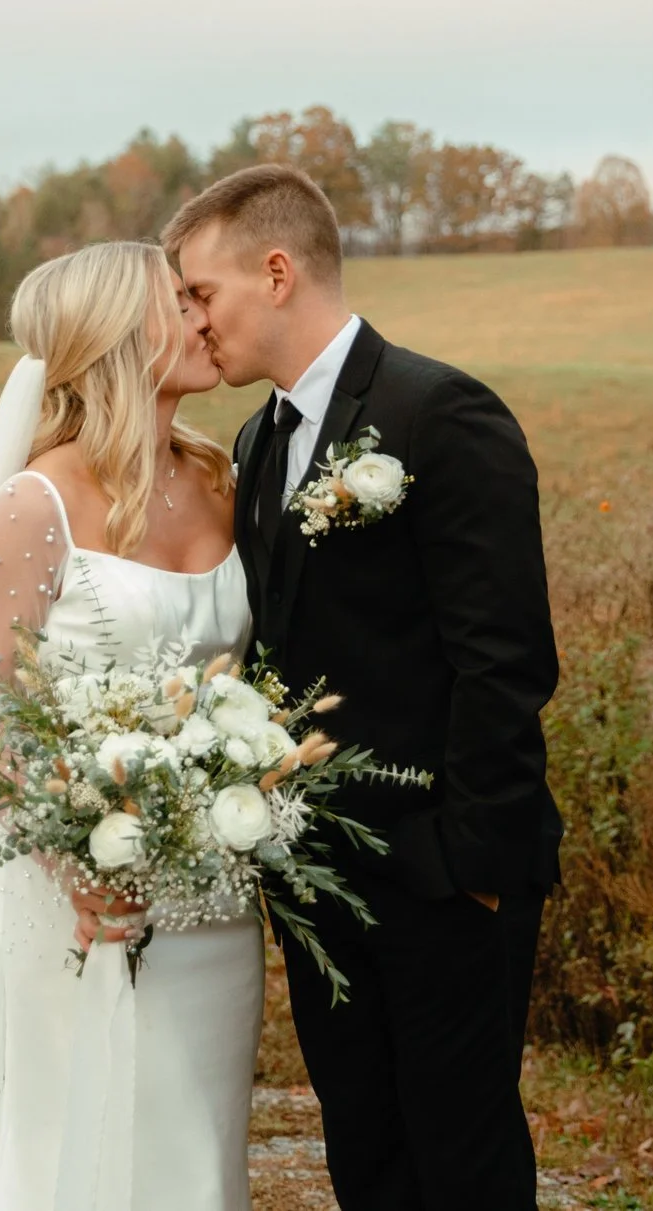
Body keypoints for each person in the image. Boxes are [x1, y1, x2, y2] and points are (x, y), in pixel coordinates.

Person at [165, 164, 564, 1211]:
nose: (193, 320)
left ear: (277, 272)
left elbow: (507, 659)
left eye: (201, 292)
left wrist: (468, 866)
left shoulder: (440, 413)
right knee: (366, 1155)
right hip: (318, 879)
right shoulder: (258, 441)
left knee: (464, 1165)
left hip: (445, 876)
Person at [0, 240, 263, 1211]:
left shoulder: (220, 480)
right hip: (75, 895)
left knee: (198, 1143)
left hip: (213, 896)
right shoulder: (34, 503)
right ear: (118, 333)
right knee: (75, 1142)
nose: (202, 315)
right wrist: (76, 859)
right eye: (178, 301)